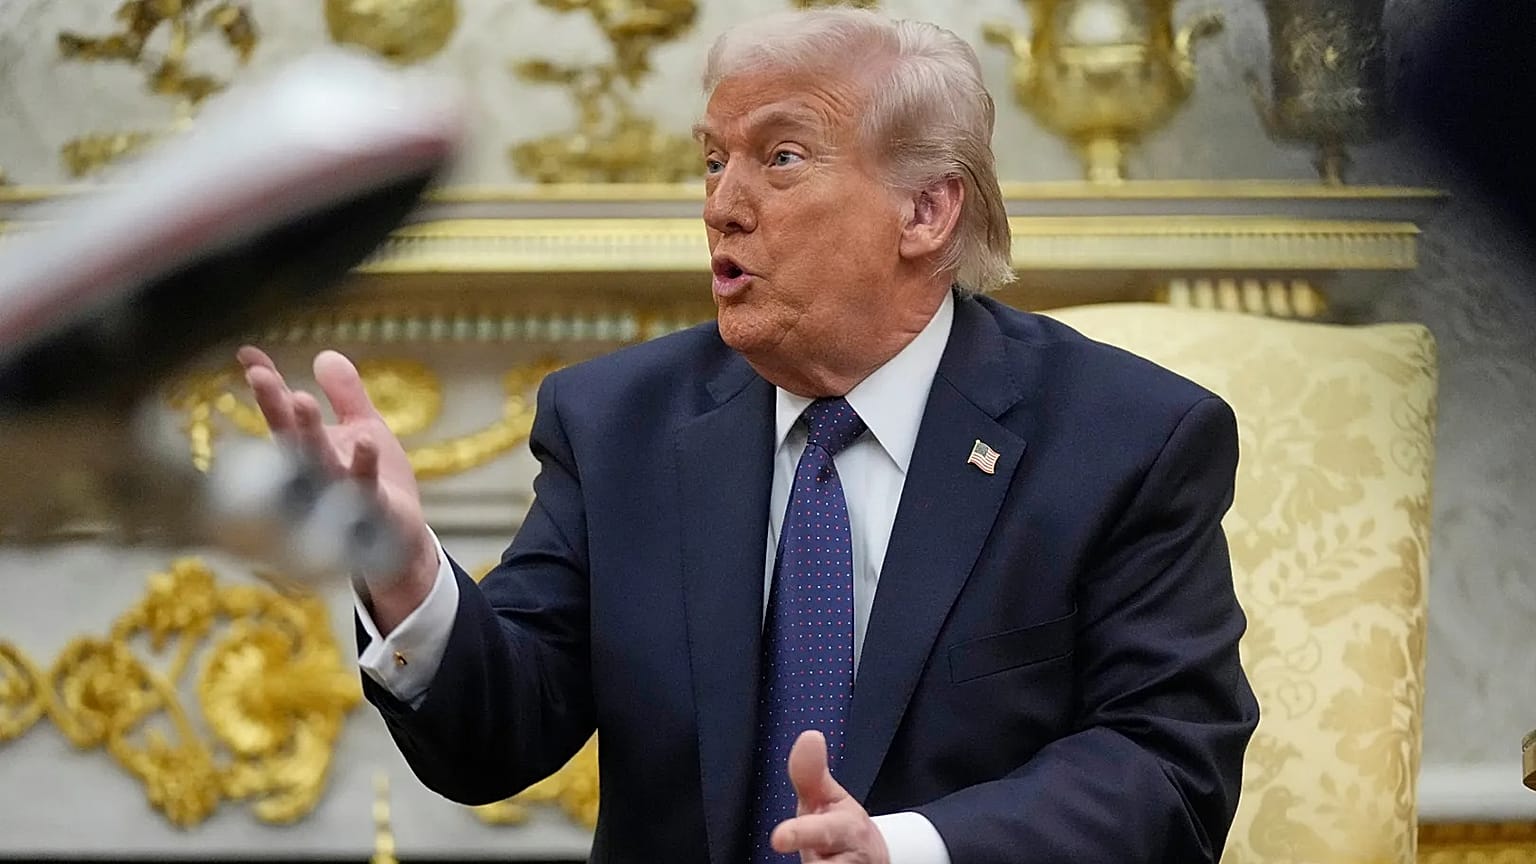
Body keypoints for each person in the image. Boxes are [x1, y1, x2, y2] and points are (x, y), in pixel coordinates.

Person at [239, 8, 1258, 863]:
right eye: (713, 161)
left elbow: (1165, 767)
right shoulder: (618, 424)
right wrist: (409, 576)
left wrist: (906, 849)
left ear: (926, 211)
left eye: (781, 158)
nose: (722, 207)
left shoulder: (1126, 439)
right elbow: (494, 736)